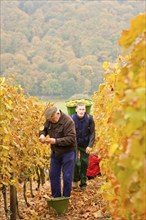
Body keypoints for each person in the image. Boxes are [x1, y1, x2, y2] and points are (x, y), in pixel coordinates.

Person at [39, 104, 77, 198]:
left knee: (67, 177)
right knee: (53, 175)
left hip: (68, 152)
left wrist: (56, 141)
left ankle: (65, 198)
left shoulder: (68, 121)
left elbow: (71, 138)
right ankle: (56, 198)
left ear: (58, 113)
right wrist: (42, 135)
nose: (52, 121)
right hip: (55, 153)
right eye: (50, 120)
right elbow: (43, 129)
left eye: (53, 119)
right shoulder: (49, 119)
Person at [71, 102, 95, 190]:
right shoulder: (71, 118)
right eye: (80, 109)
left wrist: (90, 145)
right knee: (76, 162)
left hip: (85, 143)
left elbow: (92, 133)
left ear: (85, 110)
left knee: (84, 163)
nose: (82, 111)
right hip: (74, 144)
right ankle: (75, 179)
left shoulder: (89, 118)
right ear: (76, 110)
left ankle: (83, 183)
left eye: (83, 109)